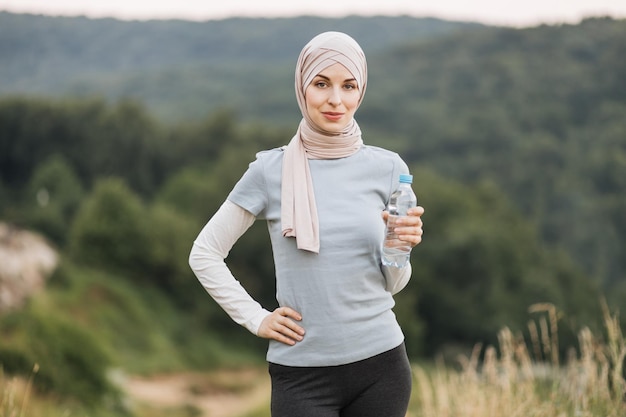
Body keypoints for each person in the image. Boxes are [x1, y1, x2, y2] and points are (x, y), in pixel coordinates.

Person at [189, 31, 424, 417]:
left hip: (382, 366)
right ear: (302, 86)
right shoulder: (270, 170)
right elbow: (205, 253)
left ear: (361, 90)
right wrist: (256, 318)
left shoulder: (390, 169)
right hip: (301, 376)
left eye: (348, 86)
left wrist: (401, 250)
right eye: (321, 83)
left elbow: (392, 283)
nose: (336, 99)